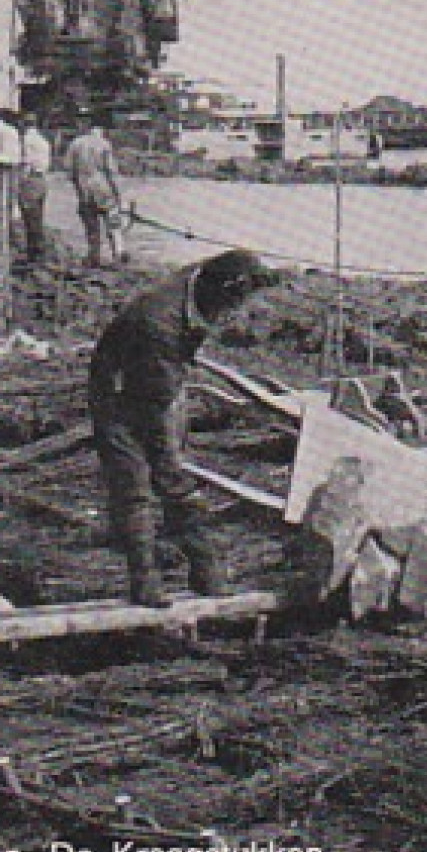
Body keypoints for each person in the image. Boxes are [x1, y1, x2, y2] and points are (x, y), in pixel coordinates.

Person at [89, 249, 286, 606]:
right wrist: (169, 460)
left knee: (170, 472)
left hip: (155, 377)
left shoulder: (201, 279)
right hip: (117, 393)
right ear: (220, 294)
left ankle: (203, 573)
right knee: (142, 482)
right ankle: (148, 581)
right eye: (232, 310)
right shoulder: (158, 326)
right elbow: (154, 411)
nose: (234, 319)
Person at [67, 113, 126, 267]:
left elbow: (70, 172)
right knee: (113, 224)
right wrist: (118, 195)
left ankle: (94, 256)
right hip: (104, 188)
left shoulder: (75, 144)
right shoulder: (104, 144)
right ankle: (118, 254)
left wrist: (79, 190)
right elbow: (111, 171)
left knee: (91, 226)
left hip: (85, 189)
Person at [18, 114, 53, 264]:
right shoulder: (43, 141)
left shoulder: (26, 141)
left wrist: (20, 182)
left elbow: (26, 163)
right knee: (38, 216)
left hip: (31, 179)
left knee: (29, 217)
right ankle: (39, 250)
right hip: (42, 179)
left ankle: (33, 252)